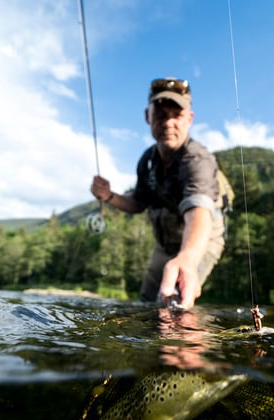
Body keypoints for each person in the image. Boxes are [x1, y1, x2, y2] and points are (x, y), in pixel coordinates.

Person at [90, 77, 229, 309]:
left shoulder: (198, 160)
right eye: (161, 114)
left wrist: (188, 258)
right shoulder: (147, 161)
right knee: (146, 304)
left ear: (190, 119)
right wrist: (109, 196)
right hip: (164, 245)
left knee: (172, 303)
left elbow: (199, 213)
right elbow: (138, 202)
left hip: (201, 241)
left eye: (176, 115)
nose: (168, 123)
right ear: (148, 116)